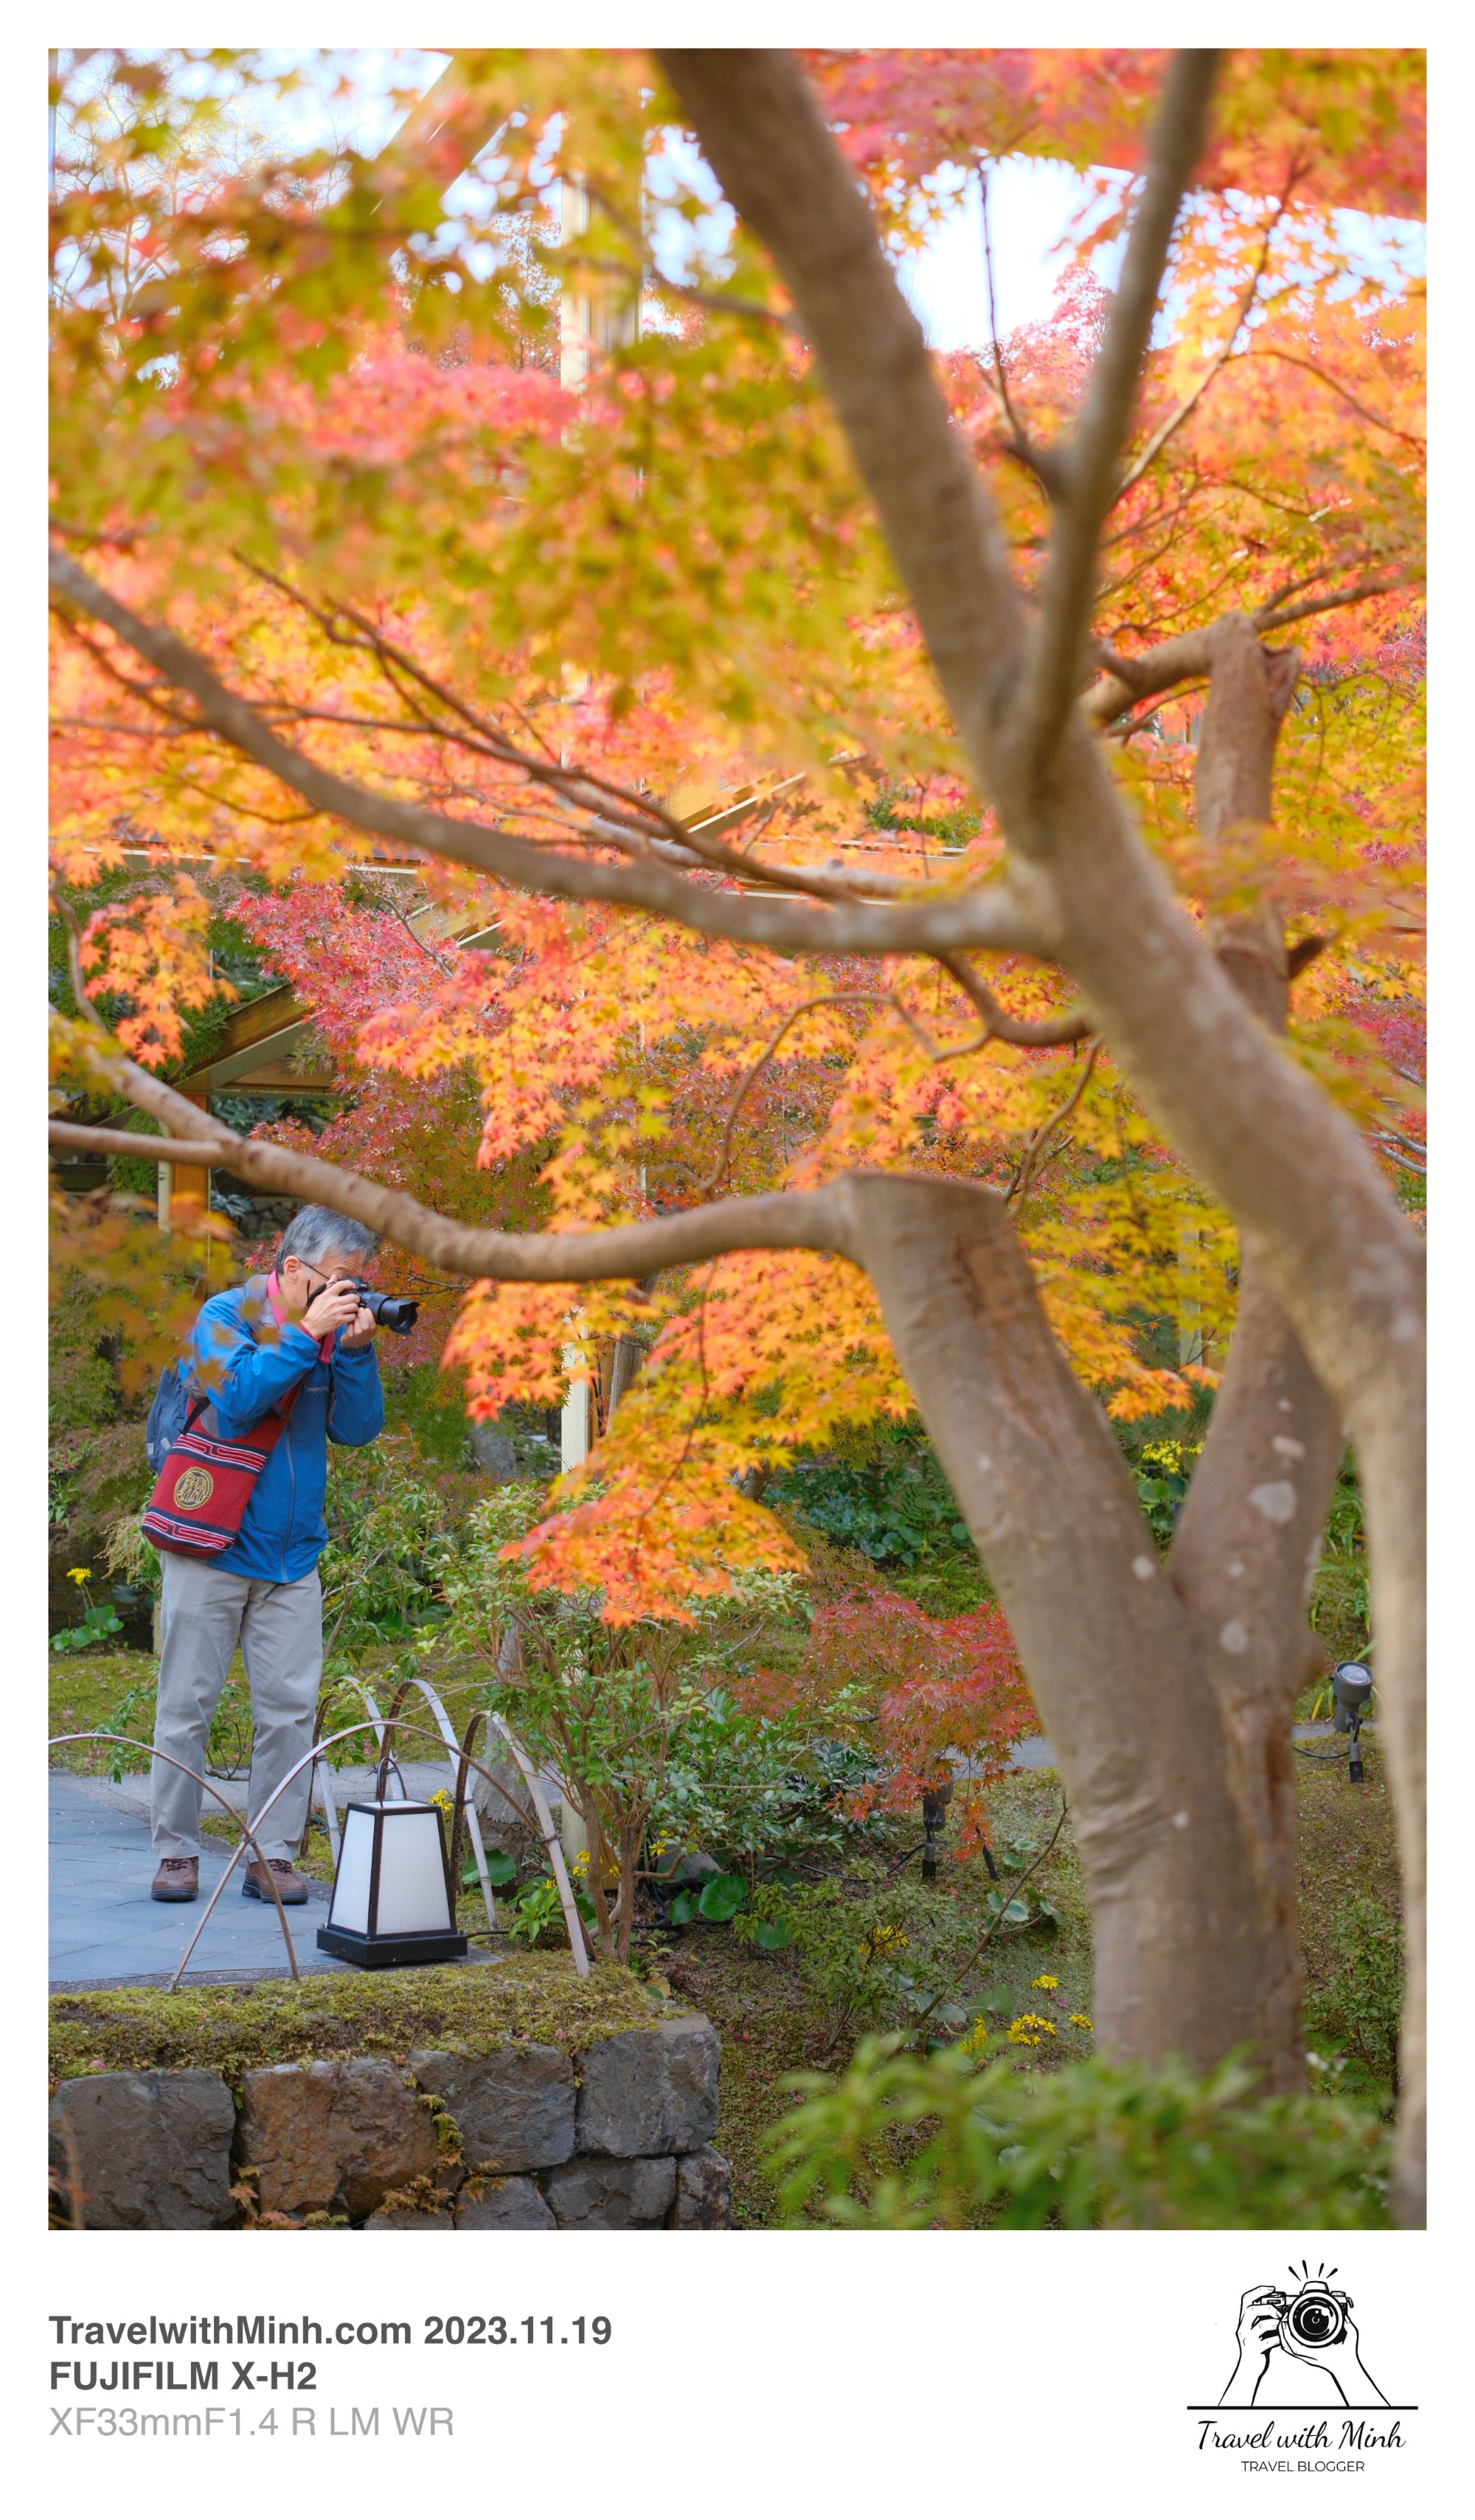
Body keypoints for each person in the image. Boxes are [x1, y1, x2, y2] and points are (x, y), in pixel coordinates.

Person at [149, 1205, 386, 1904]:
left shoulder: (330, 1335)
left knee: (288, 1709)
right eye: (341, 1280)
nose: (351, 1294)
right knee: (187, 1702)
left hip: (292, 1556)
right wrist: (304, 1336)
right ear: (292, 1270)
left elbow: (357, 1430)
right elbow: (241, 1399)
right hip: (210, 1547)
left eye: (358, 1282)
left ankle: (273, 1854)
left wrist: (356, 1353)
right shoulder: (224, 1316)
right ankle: (175, 1851)